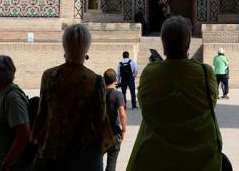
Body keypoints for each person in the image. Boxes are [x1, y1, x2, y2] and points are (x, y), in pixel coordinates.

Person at [125, 16, 224, 171]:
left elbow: (144, 104)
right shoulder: (205, 73)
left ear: (163, 42)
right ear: (188, 43)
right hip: (200, 160)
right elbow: (211, 102)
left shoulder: (150, 73)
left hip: (154, 160)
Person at [33, 23, 112, 170]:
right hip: (85, 155)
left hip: (54, 153)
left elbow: (42, 115)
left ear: (65, 45)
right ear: (86, 47)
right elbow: (100, 119)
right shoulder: (95, 80)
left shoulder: (49, 76)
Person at [103, 68, 127, 171]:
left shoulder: (98, 94)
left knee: (96, 161)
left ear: (104, 80)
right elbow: (122, 114)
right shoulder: (118, 94)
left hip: (99, 132)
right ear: (116, 80)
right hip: (114, 132)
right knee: (111, 162)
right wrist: (123, 130)